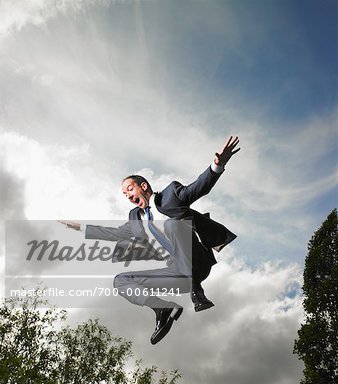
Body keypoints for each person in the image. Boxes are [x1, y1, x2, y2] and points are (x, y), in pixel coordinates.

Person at [59, 136, 240, 344]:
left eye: (129, 189)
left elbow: (198, 187)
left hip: (197, 262)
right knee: (121, 281)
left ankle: (196, 290)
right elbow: (116, 234)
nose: (127, 195)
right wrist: (81, 228)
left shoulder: (170, 195)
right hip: (177, 272)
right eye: (124, 194)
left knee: (173, 224)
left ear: (143, 186)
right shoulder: (135, 217)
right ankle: (163, 309)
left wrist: (218, 164)